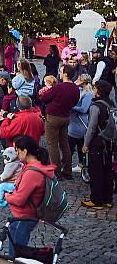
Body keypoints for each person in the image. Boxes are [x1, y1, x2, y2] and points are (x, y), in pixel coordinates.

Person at [4, 135, 54, 258]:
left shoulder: (32, 172)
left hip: (26, 215)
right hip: (24, 215)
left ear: (25, 151)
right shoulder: (37, 166)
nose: (16, 153)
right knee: (15, 243)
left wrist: (7, 196)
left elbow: (19, 199)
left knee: (17, 250)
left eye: (17, 150)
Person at [39, 64, 79, 179]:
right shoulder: (75, 88)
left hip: (53, 118)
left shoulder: (59, 87)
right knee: (64, 144)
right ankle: (67, 171)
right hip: (65, 117)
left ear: (65, 74)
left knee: (52, 146)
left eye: (61, 71)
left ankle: (56, 172)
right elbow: (75, 101)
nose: (60, 73)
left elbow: (43, 98)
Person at [82, 80, 115, 209]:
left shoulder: (96, 106)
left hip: (97, 142)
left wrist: (86, 144)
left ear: (99, 91)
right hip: (109, 142)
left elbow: (91, 128)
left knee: (96, 171)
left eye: (95, 88)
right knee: (108, 170)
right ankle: (108, 199)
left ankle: (96, 200)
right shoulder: (111, 103)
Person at [69, 74, 94, 173]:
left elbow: (83, 109)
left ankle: (72, 165)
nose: (77, 80)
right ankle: (81, 164)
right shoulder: (80, 90)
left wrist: (71, 107)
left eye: (79, 79)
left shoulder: (87, 94)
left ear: (84, 81)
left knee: (70, 145)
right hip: (75, 122)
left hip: (80, 124)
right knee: (78, 145)